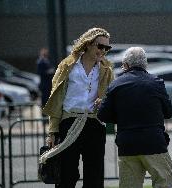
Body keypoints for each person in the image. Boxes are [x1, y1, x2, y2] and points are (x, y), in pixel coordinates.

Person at [40, 28, 114, 188]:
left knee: (94, 178)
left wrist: (104, 101)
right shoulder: (67, 66)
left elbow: (111, 96)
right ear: (88, 44)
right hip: (69, 123)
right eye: (100, 46)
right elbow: (56, 100)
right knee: (67, 176)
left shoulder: (107, 69)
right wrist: (52, 132)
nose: (103, 51)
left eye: (107, 48)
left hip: (94, 123)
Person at [97, 47, 172, 188]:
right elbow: (169, 112)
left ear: (126, 65)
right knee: (163, 183)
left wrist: (121, 117)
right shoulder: (156, 82)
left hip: (127, 145)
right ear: (145, 64)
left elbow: (103, 115)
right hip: (154, 143)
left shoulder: (115, 84)